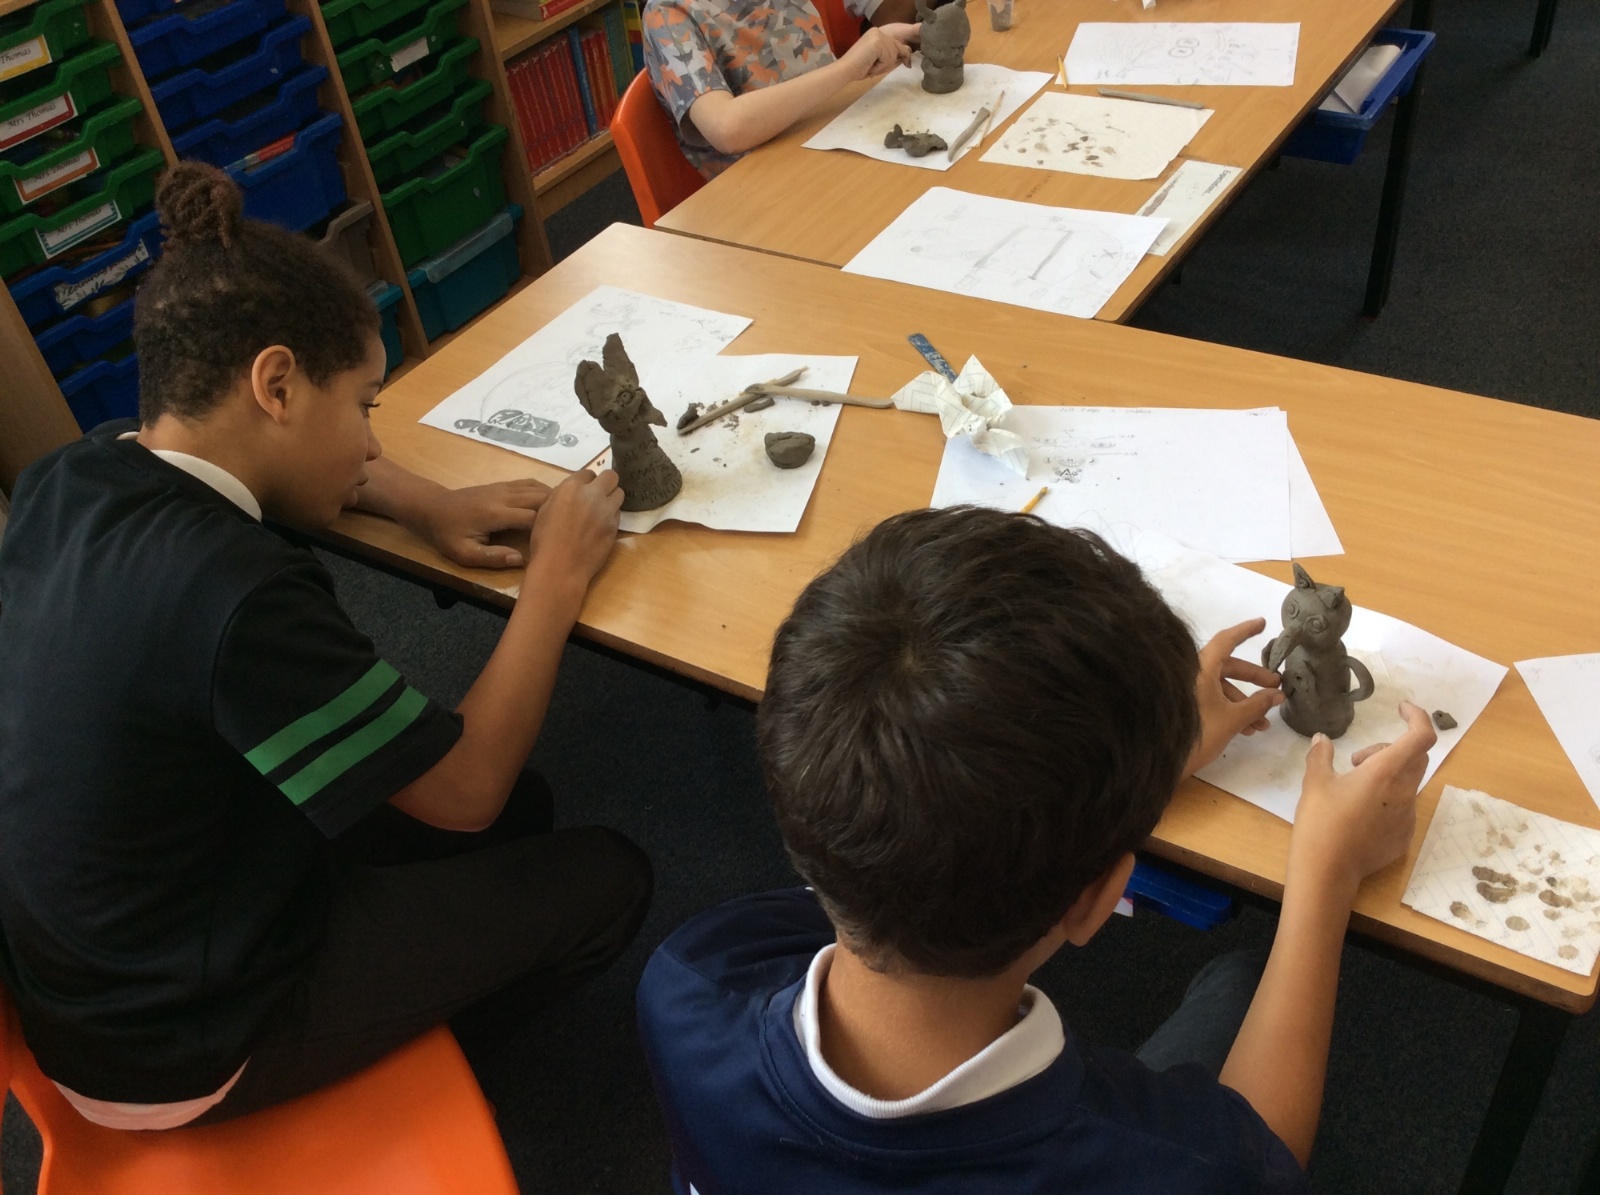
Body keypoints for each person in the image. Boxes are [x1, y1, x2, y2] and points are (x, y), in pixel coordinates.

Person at [0, 162, 651, 1130]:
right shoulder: (239, 592)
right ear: (276, 384)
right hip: (183, 1037)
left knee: (529, 807)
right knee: (605, 874)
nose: (373, 446)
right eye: (365, 406)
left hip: (99, 960)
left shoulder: (78, 472)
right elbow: (463, 791)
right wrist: (556, 576)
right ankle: (398, 1079)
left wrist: (426, 503)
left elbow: (288, 469)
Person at [637, 506, 1436, 1193]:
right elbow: (1261, 1153)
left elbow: (903, 853)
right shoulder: (1173, 1167)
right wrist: (1325, 875)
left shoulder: (691, 979)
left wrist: (1130, 771)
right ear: (1099, 903)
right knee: (1240, 979)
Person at [642, 0, 919, 179]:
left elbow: (817, 81)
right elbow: (727, 127)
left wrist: (878, 46)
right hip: (762, 187)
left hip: (830, 147)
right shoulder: (667, 13)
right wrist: (848, 67)